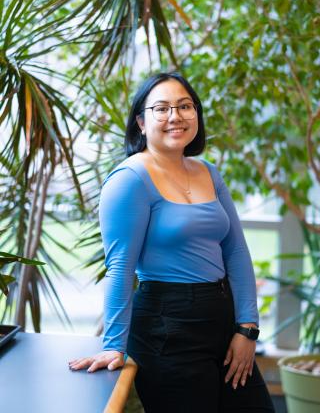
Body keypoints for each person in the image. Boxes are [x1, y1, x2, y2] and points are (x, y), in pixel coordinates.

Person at [68, 72, 275, 412]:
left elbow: (236, 251)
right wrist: (113, 344)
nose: (175, 116)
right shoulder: (130, 179)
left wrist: (247, 329)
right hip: (168, 327)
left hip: (223, 322)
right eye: (161, 108)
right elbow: (119, 267)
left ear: (196, 114)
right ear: (140, 121)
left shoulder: (209, 172)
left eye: (184, 106)